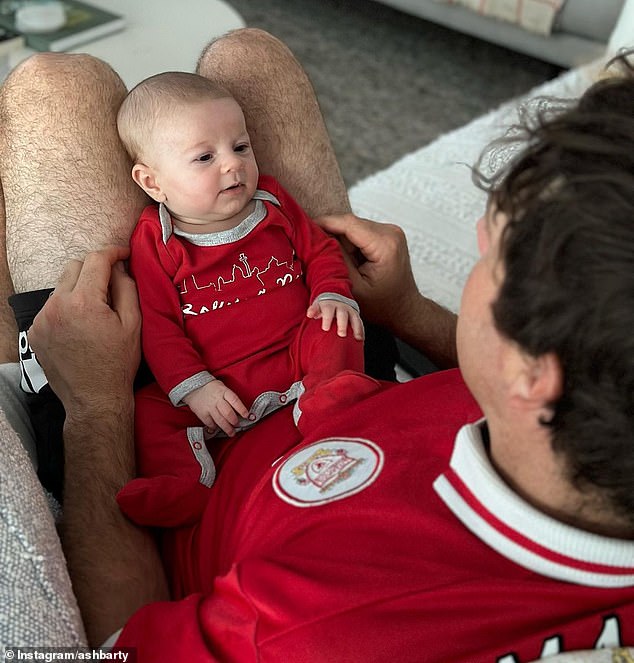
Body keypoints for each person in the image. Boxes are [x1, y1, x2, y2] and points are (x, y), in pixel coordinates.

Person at [0, 28, 632, 662]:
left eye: (493, 255)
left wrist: (94, 405)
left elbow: (114, 649)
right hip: (344, 360)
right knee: (248, 58)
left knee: (51, 86)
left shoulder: (307, 633)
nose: (477, 237)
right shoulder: (590, 412)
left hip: (151, 432)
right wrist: (407, 310)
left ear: (536, 371)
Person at [114, 72, 366, 526]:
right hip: (217, 383)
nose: (232, 165)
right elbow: (157, 324)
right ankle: (185, 484)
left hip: (296, 355)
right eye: (205, 157)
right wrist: (195, 386)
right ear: (152, 182)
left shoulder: (272, 202)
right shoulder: (157, 241)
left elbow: (320, 250)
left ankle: (332, 402)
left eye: (241, 146)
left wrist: (333, 291)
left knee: (335, 326)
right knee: (147, 413)